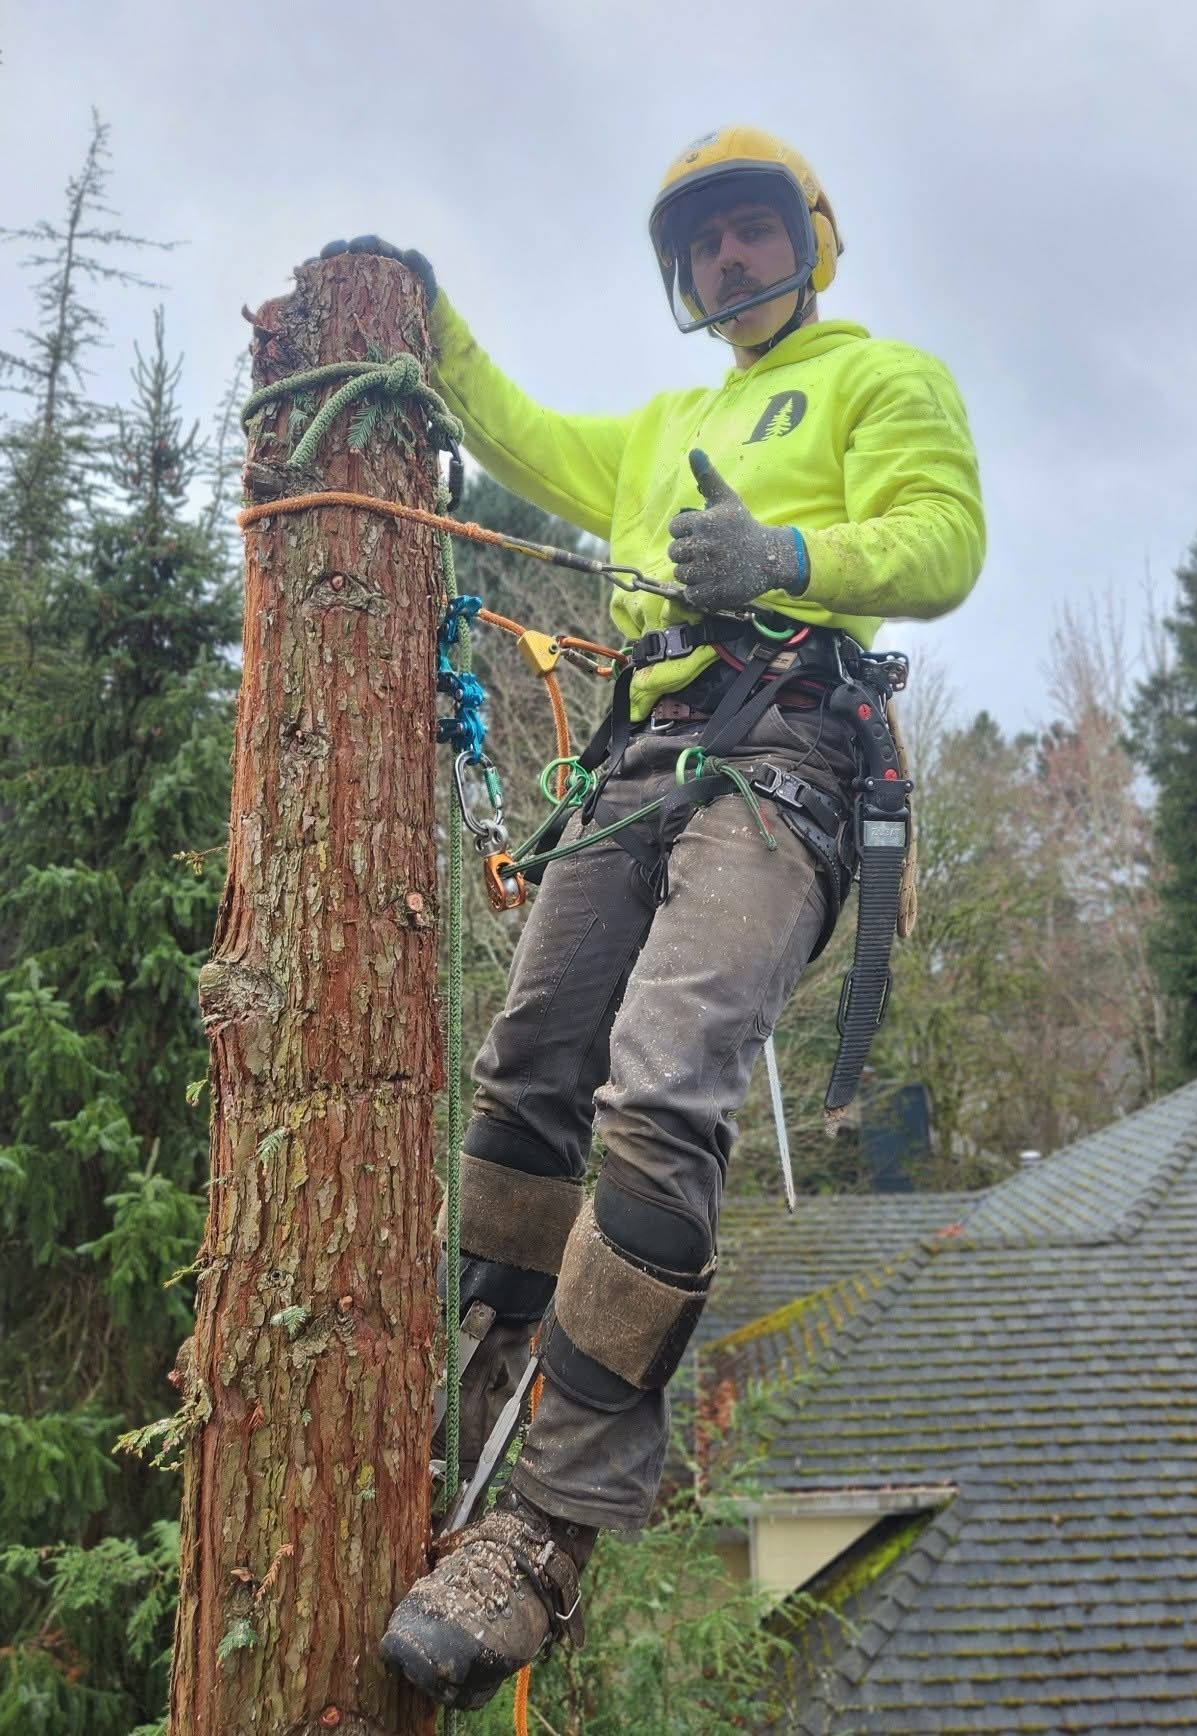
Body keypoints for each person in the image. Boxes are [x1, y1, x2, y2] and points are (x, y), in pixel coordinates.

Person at [324, 124, 985, 1711]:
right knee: (528, 1073)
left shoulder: (881, 379)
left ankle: (547, 1527)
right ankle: (486, 1414)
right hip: (639, 762)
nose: (725, 262)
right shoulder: (658, 425)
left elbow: (944, 542)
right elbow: (516, 427)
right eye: (700, 247)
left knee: (664, 1077)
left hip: (784, 758)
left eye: (751, 233)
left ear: (804, 239)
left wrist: (788, 556)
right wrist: (416, 310)